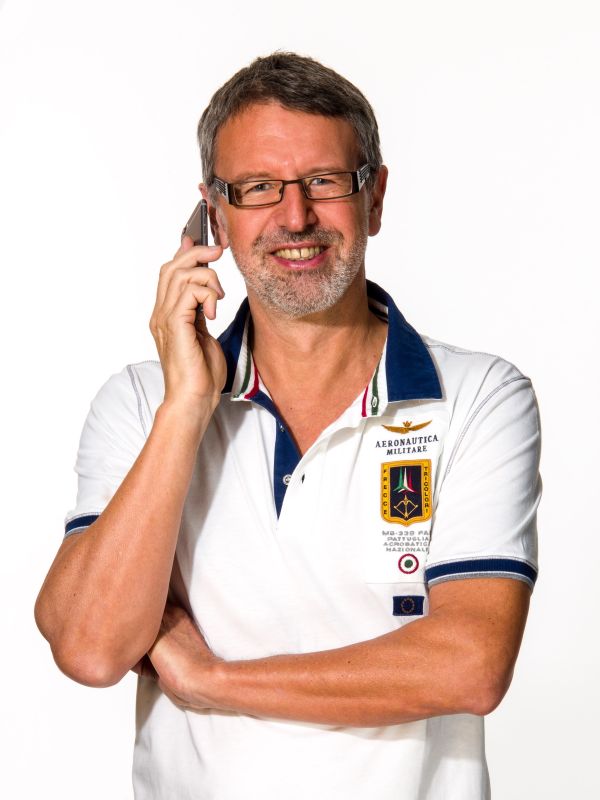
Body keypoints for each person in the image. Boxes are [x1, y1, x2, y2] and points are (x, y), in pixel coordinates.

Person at [35, 52, 541, 800]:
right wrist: (186, 409)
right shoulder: (141, 404)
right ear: (213, 212)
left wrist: (212, 679)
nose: (295, 217)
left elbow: (470, 666)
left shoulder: (477, 398)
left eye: (325, 181)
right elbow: (89, 647)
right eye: (258, 187)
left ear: (374, 198)